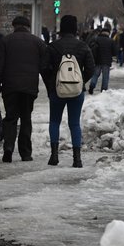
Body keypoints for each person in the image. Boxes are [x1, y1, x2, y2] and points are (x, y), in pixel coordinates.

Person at [0, 16, 46, 163]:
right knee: (26, 119)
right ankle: (25, 153)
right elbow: (45, 66)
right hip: (29, 87)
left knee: (11, 118)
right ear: (28, 27)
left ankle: (8, 148)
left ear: (14, 26)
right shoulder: (38, 42)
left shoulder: (5, 41)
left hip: (10, 87)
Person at [41, 15, 95, 168]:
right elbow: (91, 68)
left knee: (54, 121)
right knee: (74, 123)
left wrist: (52, 85)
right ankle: (77, 159)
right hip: (77, 92)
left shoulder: (52, 47)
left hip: (57, 91)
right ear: (75, 28)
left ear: (61, 29)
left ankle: (54, 156)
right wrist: (80, 82)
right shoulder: (83, 46)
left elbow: (44, 68)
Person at [88, 27, 117, 94]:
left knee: (95, 74)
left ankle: (92, 86)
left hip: (97, 60)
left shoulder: (96, 39)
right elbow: (114, 52)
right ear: (108, 33)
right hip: (106, 61)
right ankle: (103, 90)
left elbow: (90, 47)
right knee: (105, 76)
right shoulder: (111, 41)